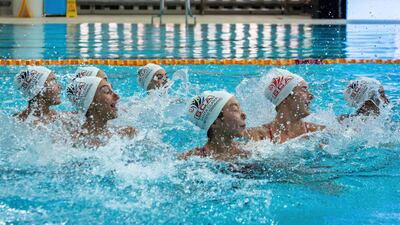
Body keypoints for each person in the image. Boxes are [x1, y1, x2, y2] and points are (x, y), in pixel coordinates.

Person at [243, 68, 325, 143]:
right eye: (304, 89)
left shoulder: (318, 132)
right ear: (285, 98)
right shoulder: (258, 135)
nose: (311, 96)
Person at [66, 76, 136, 147]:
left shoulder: (127, 133)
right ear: (90, 103)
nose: (117, 96)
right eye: (107, 91)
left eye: (112, 90)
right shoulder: (76, 142)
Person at [179, 91, 248, 161]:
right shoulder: (192, 159)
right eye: (235, 110)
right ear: (215, 122)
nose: (244, 114)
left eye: (240, 109)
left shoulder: (249, 147)